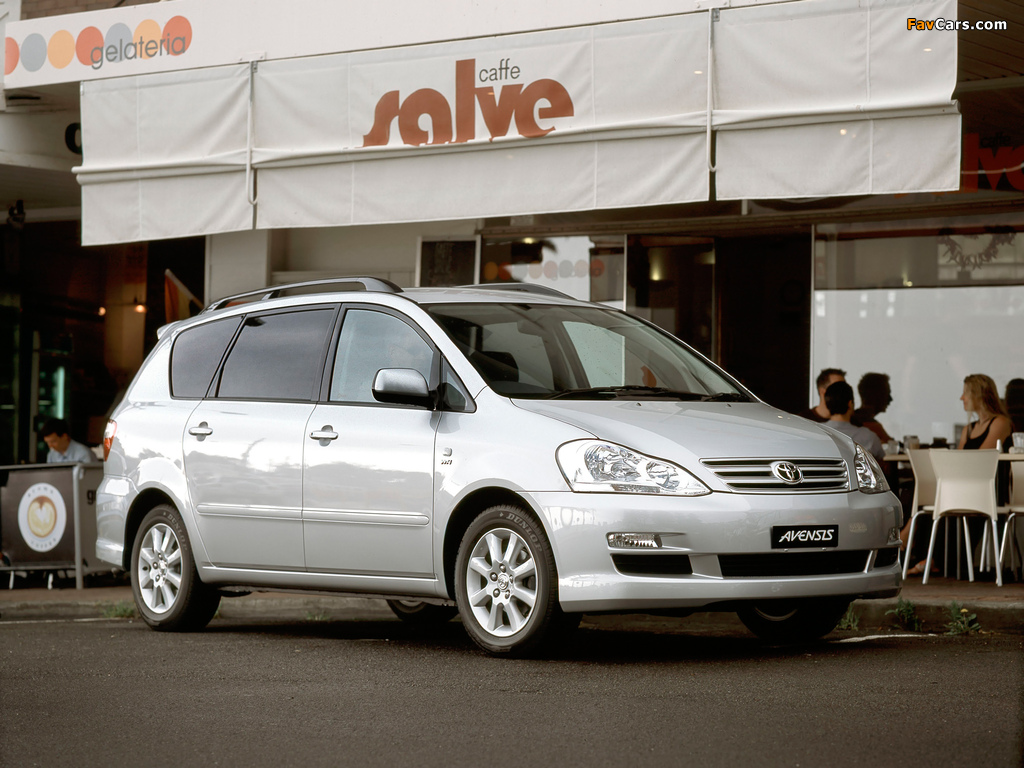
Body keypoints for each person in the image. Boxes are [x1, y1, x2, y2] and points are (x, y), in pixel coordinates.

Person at [821, 380, 885, 462]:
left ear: (827, 404)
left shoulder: (816, 433)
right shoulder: (868, 437)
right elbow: (882, 458)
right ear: (850, 403)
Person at [957, 374, 1012, 450]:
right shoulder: (967, 429)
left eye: (966, 393)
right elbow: (958, 456)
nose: (961, 398)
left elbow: (984, 455)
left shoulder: (1000, 423)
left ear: (978, 395)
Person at [852, 372, 893, 444]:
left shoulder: (852, 419)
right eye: (887, 393)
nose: (890, 399)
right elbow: (892, 445)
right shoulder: (872, 427)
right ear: (876, 396)